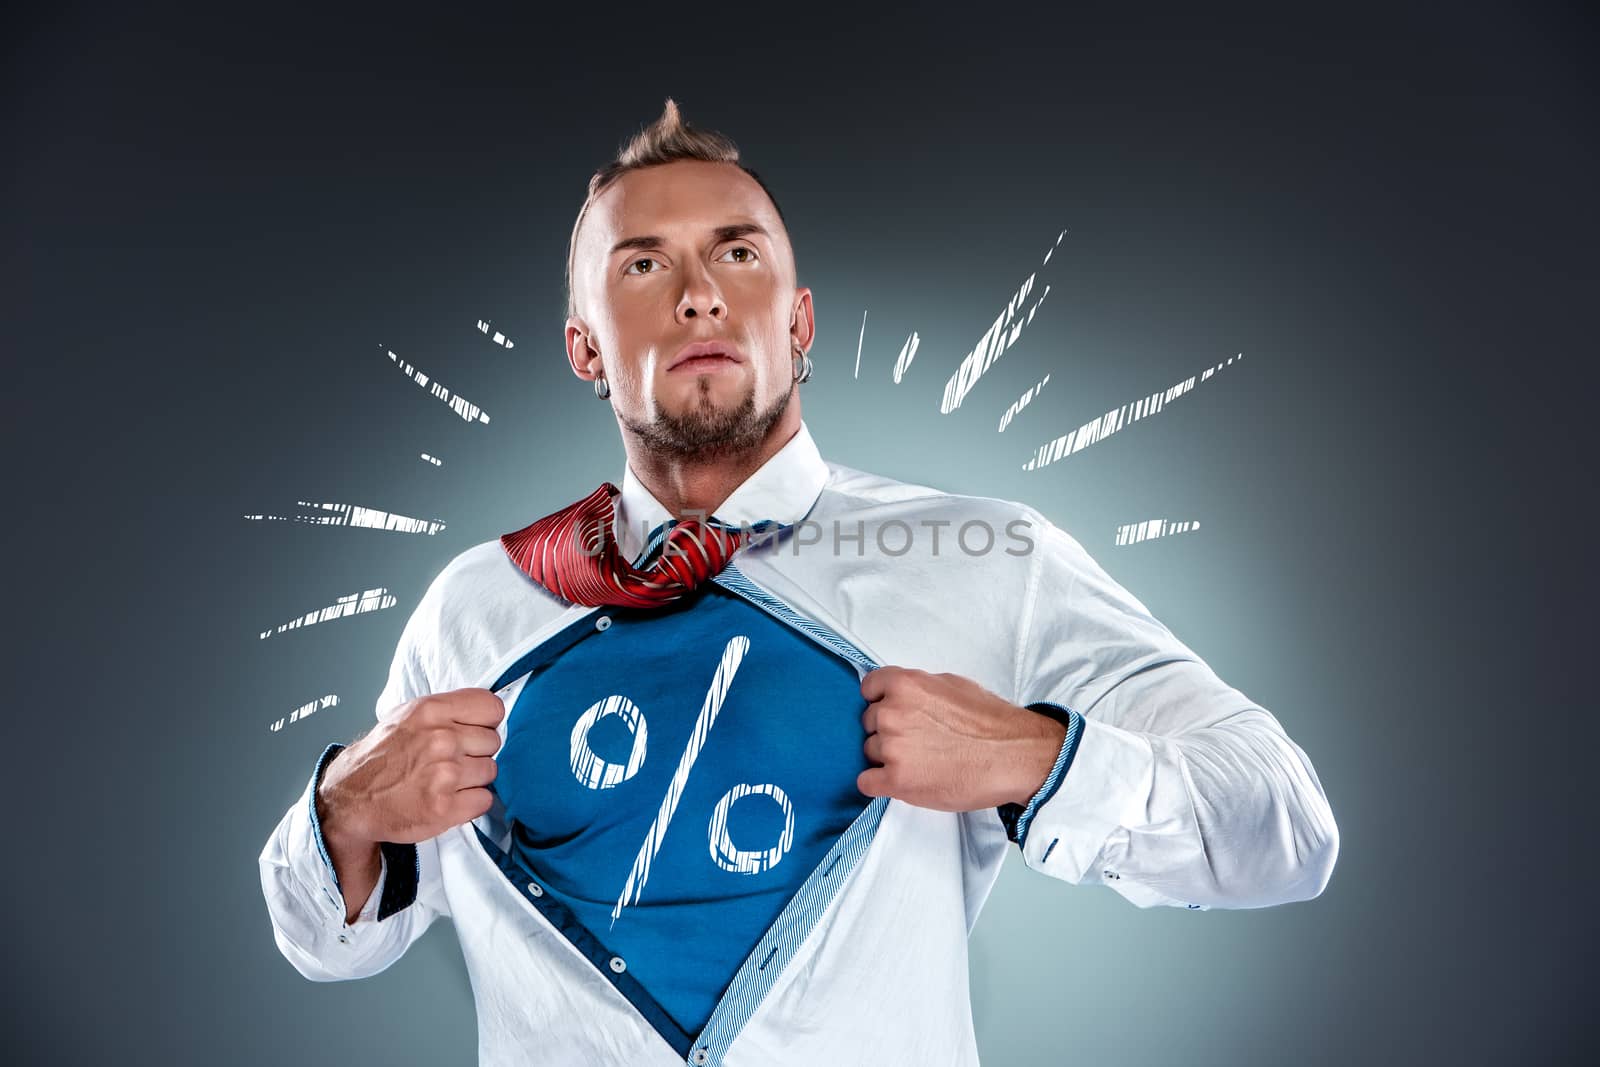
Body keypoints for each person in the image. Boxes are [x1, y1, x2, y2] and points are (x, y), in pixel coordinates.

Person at [259, 98, 1339, 1067]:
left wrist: (1036, 757)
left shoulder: (992, 557)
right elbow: (328, 939)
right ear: (585, 349)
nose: (695, 296)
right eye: (643, 264)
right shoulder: (479, 603)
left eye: (736, 254)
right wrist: (343, 807)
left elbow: (1285, 828)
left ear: (798, 318)